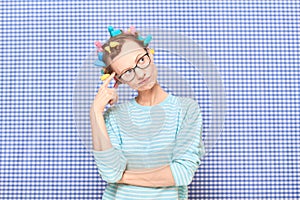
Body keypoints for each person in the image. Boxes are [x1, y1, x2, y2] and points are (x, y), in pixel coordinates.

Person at [90, 26, 205, 200]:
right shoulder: (113, 117)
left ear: (150, 53)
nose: (140, 74)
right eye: (127, 72)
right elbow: (110, 171)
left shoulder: (187, 109)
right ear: (118, 80)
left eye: (141, 60)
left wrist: (122, 177)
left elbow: (182, 173)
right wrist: (96, 112)